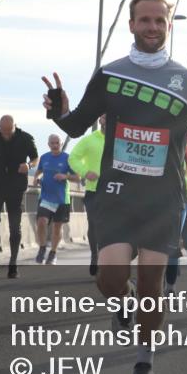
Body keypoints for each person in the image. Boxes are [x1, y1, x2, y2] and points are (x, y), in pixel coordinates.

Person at [43, 0, 187, 374]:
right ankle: (123, 301)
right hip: (116, 193)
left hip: (163, 197)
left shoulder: (184, 81)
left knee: (152, 285)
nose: (152, 27)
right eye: (144, 20)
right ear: (131, 24)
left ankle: (144, 365)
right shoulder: (110, 74)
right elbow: (75, 127)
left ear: (167, 25)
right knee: (110, 278)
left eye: (159, 21)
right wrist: (58, 109)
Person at [0, 115, 38, 279]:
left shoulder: (26, 138)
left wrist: (28, 165)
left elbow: (35, 158)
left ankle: (13, 265)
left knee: (15, 226)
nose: (6, 134)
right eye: (3, 130)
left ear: (15, 126)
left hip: (16, 186)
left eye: (9, 131)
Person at [68, 114, 106, 276]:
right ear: (100, 119)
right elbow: (73, 158)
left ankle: (107, 257)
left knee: (111, 226)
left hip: (117, 191)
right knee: (95, 224)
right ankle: (95, 255)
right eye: (104, 116)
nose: (107, 118)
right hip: (94, 190)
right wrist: (84, 172)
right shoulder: (90, 140)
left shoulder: (122, 139)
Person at [164, 136, 187, 293]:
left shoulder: (184, 138)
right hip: (148, 197)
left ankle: (170, 287)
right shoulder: (147, 126)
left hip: (178, 198)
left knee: (172, 243)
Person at [33, 134, 78, 266]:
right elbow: (39, 171)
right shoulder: (45, 157)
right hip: (46, 197)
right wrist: (36, 179)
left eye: (57, 143)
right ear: (48, 144)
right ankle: (42, 248)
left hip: (61, 199)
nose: (55, 145)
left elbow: (77, 177)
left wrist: (65, 176)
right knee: (41, 222)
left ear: (61, 143)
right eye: (52, 143)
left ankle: (53, 253)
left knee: (57, 228)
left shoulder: (67, 158)